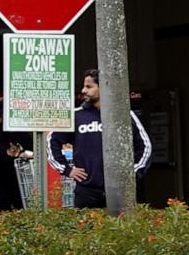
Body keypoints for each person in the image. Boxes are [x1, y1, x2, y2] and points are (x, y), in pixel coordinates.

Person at [48, 69, 154, 210]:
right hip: (86, 191)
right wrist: (67, 170)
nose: (83, 90)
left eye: (89, 87)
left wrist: (132, 173)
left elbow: (145, 146)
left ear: (103, 87)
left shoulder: (123, 114)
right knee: (84, 231)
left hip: (121, 191)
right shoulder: (75, 116)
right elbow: (52, 141)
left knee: (123, 231)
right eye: (84, 86)